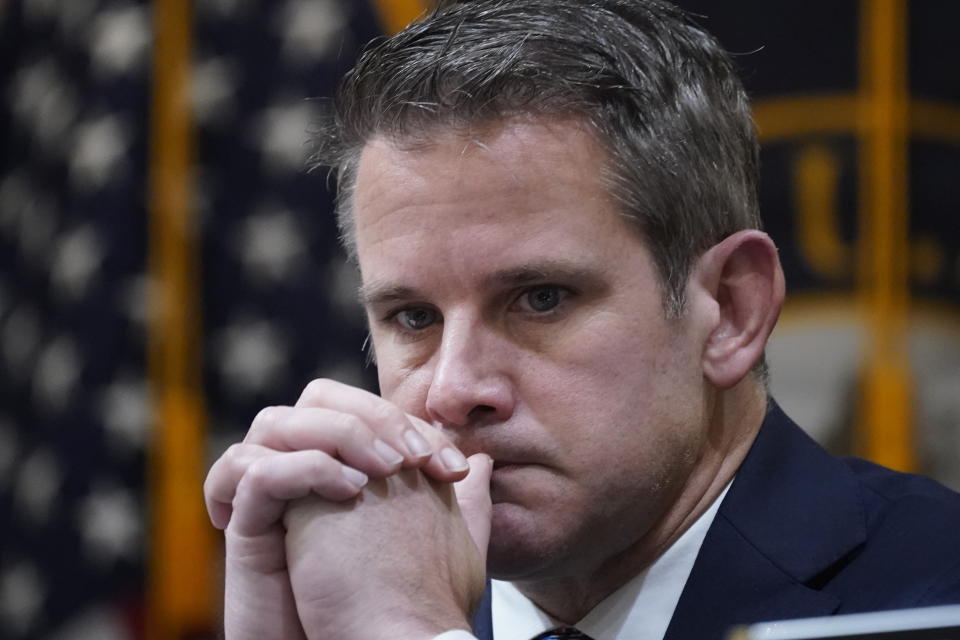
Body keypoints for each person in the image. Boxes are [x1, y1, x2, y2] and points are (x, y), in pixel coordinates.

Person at [203, 1, 960, 638]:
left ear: (731, 310)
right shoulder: (361, 604)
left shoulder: (936, 591)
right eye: (413, 316)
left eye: (540, 298)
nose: (452, 390)